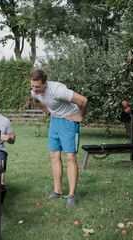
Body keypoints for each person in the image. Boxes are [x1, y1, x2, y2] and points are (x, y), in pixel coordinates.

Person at [30, 69, 88, 207]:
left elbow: (83, 101)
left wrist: (81, 117)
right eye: (32, 86)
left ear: (45, 83)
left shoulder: (57, 90)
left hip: (69, 120)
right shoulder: (35, 92)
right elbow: (36, 101)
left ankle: (72, 195)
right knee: (54, 156)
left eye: (37, 87)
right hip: (55, 121)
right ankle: (58, 191)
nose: (34, 89)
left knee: (70, 157)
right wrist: (49, 113)